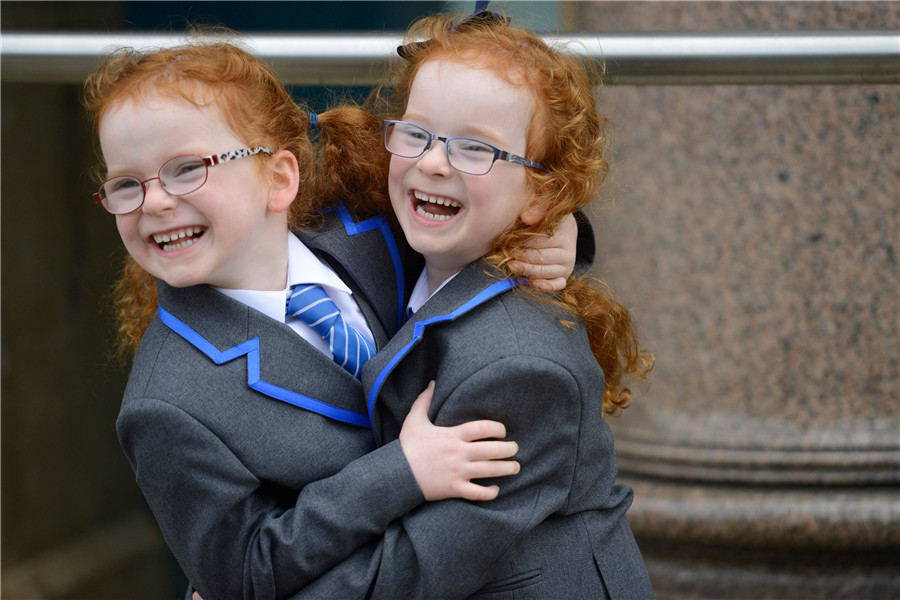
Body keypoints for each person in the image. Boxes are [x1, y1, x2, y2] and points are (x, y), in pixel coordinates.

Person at [83, 38, 587, 600]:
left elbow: (473, 210)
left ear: (279, 179)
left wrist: (561, 230)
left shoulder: (374, 233)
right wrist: (401, 472)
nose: (154, 202)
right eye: (126, 184)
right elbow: (242, 576)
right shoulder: (164, 404)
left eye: (185, 169)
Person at [292, 11, 655, 599]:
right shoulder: (413, 243)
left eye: (476, 148)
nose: (434, 162)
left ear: (541, 195)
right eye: (416, 134)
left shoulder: (519, 368)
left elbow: (413, 573)